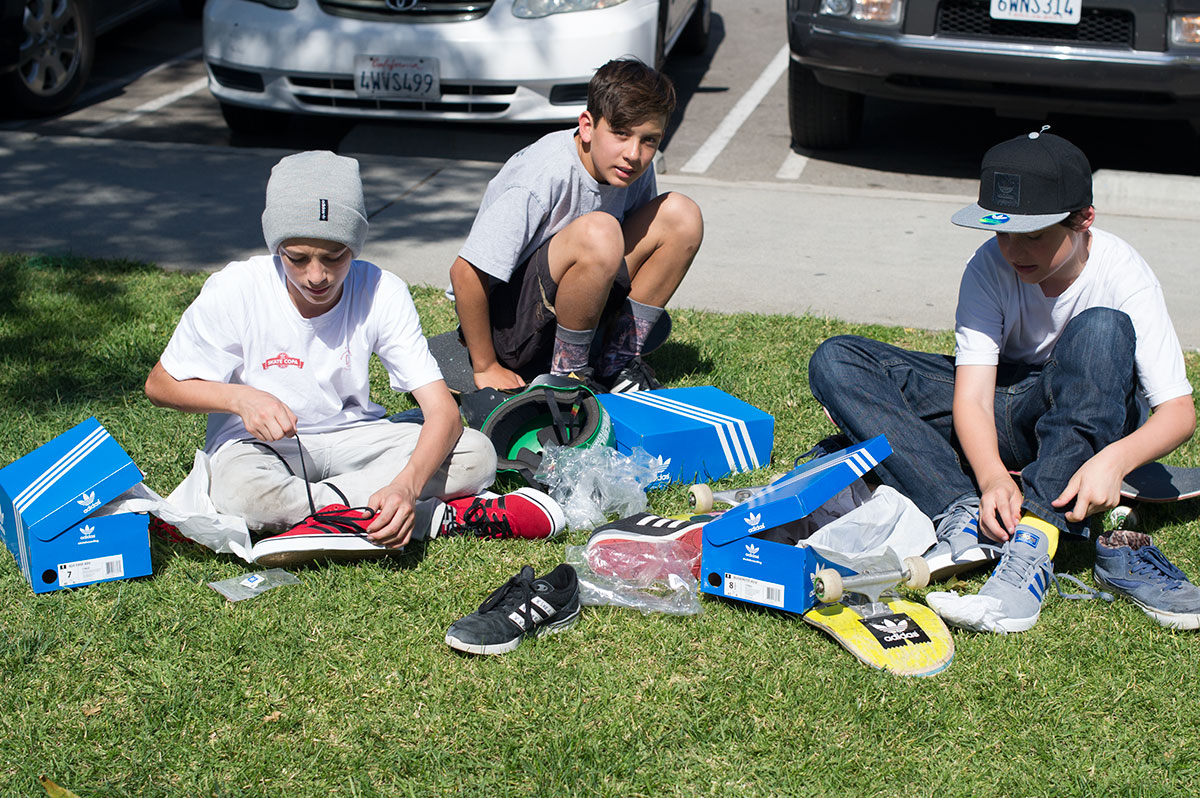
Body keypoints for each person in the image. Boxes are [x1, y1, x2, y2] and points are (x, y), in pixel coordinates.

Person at [808, 128, 1200, 633]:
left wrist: (1115, 460)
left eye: (1033, 234)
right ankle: (962, 513)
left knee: (1103, 328)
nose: (1013, 250)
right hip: (1005, 403)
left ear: (1083, 220)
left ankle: (1032, 544)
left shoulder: (1125, 275)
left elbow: (1179, 414)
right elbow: (971, 395)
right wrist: (992, 477)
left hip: (1088, 406)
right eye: (1001, 231)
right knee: (838, 359)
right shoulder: (987, 265)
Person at [145, 151, 565, 567]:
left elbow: (444, 413)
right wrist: (241, 400)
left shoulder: (382, 290)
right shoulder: (236, 287)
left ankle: (325, 519)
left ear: (355, 245)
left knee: (476, 454)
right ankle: (418, 516)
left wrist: (406, 483)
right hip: (261, 448)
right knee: (242, 492)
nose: (316, 275)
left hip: (354, 438)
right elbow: (160, 385)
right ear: (276, 247)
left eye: (334, 257)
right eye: (297, 258)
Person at [449, 57, 704, 394]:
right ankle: (568, 378)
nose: (634, 153)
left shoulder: (632, 167)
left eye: (649, 140)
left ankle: (618, 365)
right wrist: (485, 365)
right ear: (587, 126)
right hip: (511, 330)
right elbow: (465, 273)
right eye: (621, 133)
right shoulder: (544, 174)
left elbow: (644, 256)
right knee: (600, 231)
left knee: (681, 215)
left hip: (580, 308)